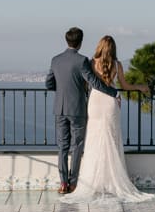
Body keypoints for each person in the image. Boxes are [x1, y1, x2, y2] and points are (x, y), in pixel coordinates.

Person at [62, 35, 153, 204]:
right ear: (113, 48)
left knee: (94, 141)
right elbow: (125, 86)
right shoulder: (117, 65)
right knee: (111, 139)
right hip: (111, 102)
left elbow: (85, 83)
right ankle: (112, 182)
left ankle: (93, 183)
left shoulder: (90, 63)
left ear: (99, 47)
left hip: (96, 102)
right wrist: (140, 87)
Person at [46, 27, 119, 194]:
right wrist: (114, 92)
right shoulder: (82, 61)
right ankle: (73, 183)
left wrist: (63, 89)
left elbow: (49, 84)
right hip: (77, 109)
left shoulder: (55, 60)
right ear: (80, 42)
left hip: (59, 108)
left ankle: (63, 183)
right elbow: (95, 82)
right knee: (77, 146)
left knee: (62, 146)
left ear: (67, 41)